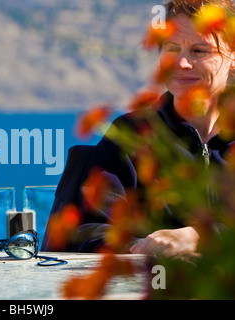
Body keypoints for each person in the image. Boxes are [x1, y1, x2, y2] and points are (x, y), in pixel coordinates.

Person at [41, 0, 235, 257]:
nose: (182, 63)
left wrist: (199, 238)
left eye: (200, 51)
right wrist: (139, 248)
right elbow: (90, 234)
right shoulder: (131, 134)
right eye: (172, 48)